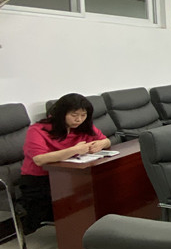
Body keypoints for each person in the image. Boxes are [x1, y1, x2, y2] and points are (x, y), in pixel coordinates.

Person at [20, 93, 110, 233]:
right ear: (61, 113)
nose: (79, 119)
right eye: (74, 115)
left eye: (83, 115)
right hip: (41, 180)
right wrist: (74, 150)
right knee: (79, 203)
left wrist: (101, 144)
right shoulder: (38, 129)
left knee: (102, 189)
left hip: (72, 175)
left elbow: (106, 141)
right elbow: (39, 159)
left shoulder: (84, 127)